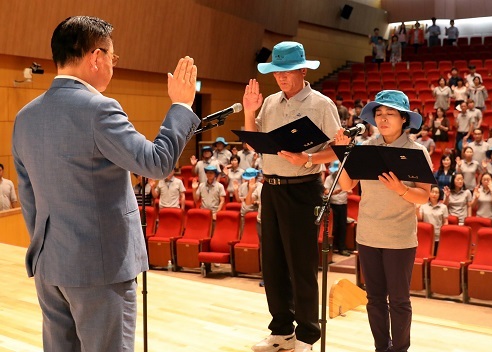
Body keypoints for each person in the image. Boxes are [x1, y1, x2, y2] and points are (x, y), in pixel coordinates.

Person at [11, 16, 199, 352]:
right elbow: (156, 163)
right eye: (112, 57)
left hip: (50, 265)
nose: (112, 65)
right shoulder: (99, 109)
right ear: (96, 57)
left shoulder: (25, 116)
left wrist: (49, 250)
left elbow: (28, 197)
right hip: (101, 270)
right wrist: (181, 106)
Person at [243, 41, 341, 352]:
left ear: (302, 69)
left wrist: (309, 159)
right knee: (272, 264)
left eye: (286, 72)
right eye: (276, 73)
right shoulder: (270, 103)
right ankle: (281, 330)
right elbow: (254, 145)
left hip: (303, 188)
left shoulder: (321, 104)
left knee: (301, 265)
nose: (281, 78)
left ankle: (308, 336)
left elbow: (339, 149)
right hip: (270, 188)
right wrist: (249, 113)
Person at [335, 90, 431, 352]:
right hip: (368, 235)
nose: (383, 118)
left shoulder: (416, 151)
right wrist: (342, 153)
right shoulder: (365, 149)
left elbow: (424, 196)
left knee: (399, 300)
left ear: (404, 119)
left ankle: (399, 349)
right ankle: (381, 347)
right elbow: (346, 185)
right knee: (375, 299)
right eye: (379, 114)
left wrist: (400, 189)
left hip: (399, 238)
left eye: (390, 113)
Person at [324, 161, 351, 256]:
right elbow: (326, 191)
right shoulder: (329, 178)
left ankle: (342, 247)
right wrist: (334, 192)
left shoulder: (345, 178)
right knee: (333, 227)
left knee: (342, 226)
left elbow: (350, 187)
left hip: (343, 204)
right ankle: (333, 248)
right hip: (333, 205)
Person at [417, 185, 449, 255]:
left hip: (438, 236)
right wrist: (416, 209)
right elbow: (420, 219)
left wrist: (444, 234)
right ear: (429, 193)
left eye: (437, 192)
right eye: (432, 192)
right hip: (426, 236)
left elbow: (445, 222)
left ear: (439, 194)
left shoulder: (443, 207)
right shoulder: (423, 205)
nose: (434, 194)